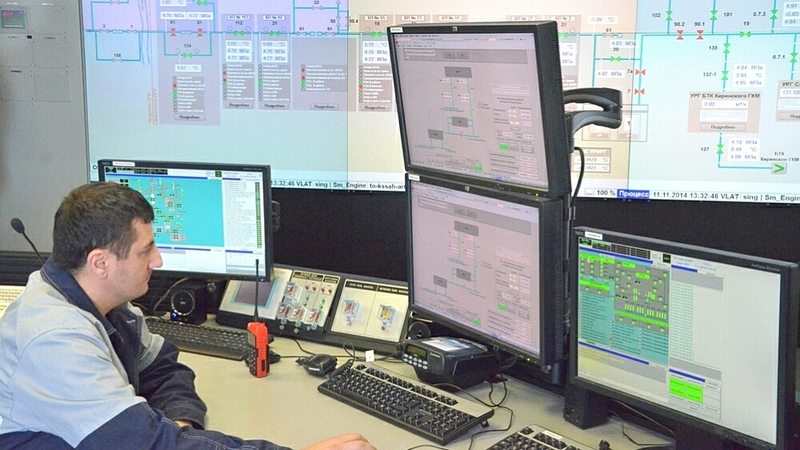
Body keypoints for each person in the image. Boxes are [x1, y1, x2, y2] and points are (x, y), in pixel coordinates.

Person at [0, 182, 377, 450]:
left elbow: (165, 371)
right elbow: (145, 445)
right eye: (146, 250)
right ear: (100, 263)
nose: (158, 260)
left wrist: (180, 426)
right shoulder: (54, 339)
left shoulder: (107, 305)